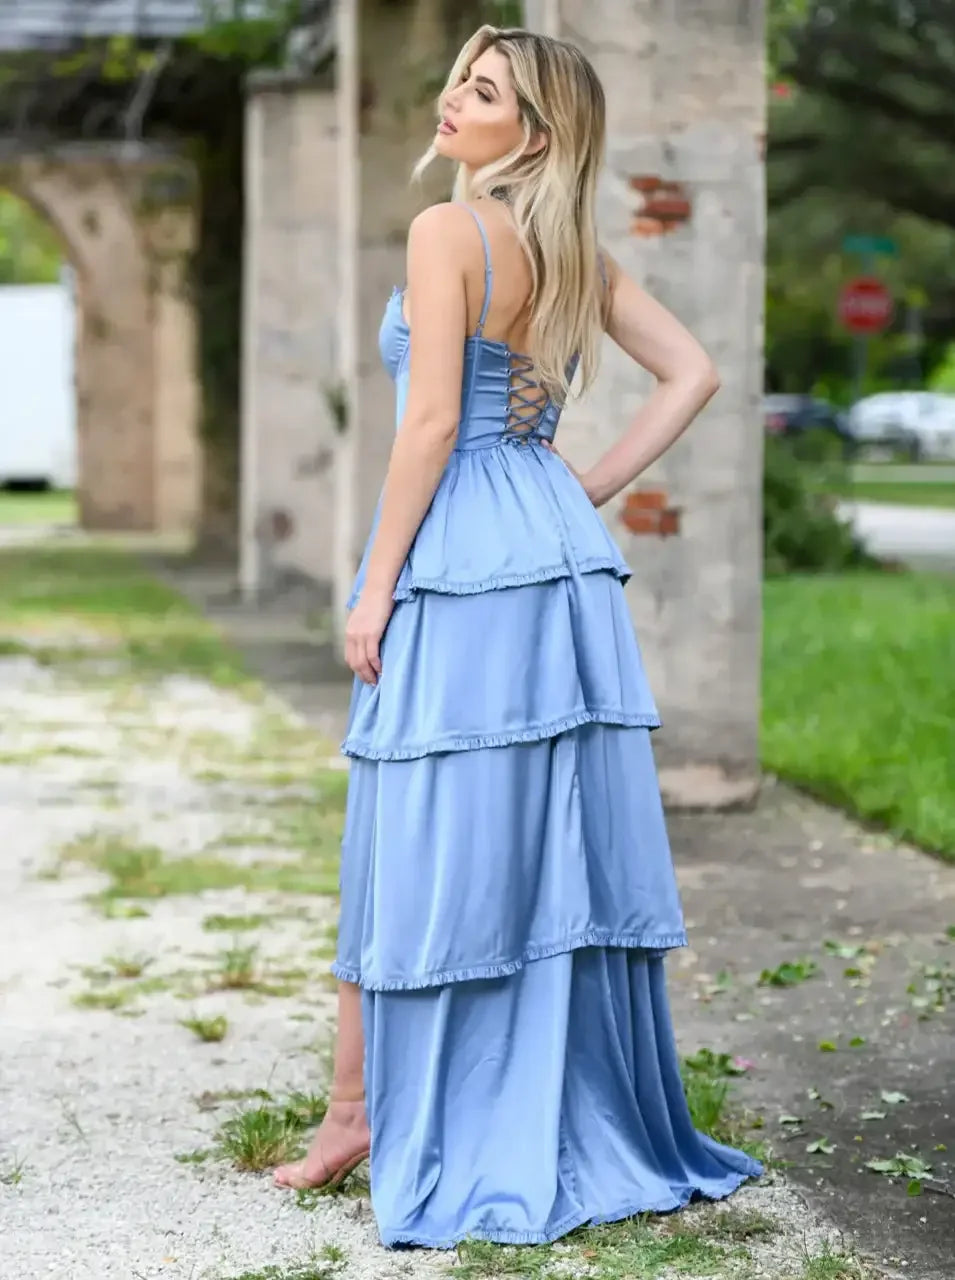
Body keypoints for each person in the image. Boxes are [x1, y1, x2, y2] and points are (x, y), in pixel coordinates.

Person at [273, 23, 762, 1248]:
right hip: (546, 540)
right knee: (540, 840)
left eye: (482, 92)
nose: (451, 101)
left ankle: (365, 1112)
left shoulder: (448, 231)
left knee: (413, 823)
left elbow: (431, 420)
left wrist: (372, 585)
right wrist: (572, 490)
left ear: (533, 134)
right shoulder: (569, 251)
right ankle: (388, 1107)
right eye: (459, 79)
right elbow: (693, 371)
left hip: (459, 555)